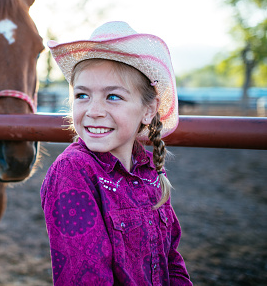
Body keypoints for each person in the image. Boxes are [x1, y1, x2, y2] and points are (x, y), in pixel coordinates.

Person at [40, 21, 192, 285]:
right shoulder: (74, 170)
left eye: (113, 97)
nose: (94, 110)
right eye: (82, 95)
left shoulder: (149, 170)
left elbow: (171, 261)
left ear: (148, 110)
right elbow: (86, 278)